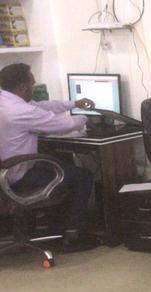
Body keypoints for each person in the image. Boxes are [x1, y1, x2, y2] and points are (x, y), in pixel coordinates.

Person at [0, 63, 98, 251]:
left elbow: (41, 107)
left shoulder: (7, 101)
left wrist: (74, 104)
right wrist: (85, 118)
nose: (34, 87)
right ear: (23, 87)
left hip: (6, 172)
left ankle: (55, 228)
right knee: (83, 176)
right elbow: (64, 125)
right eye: (32, 84)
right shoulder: (20, 112)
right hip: (18, 175)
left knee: (62, 164)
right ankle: (73, 235)